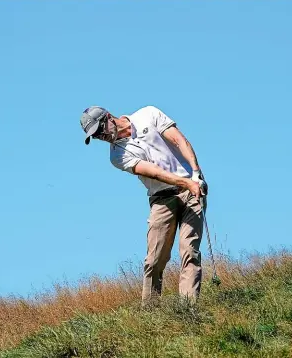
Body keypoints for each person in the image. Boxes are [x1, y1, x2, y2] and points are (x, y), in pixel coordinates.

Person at [80, 105, 208, 305]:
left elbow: (178, 139)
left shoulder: (148, 114)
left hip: (192, 189)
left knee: (189, 251)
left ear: (108, 118)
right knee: (154, 260)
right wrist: (186, 183)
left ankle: (188, 310)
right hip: (162, 199)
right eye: (94, 136)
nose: (99, 137)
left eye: (99, 131)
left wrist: (195, 172)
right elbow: (154, 171)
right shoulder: (116, 156)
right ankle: (150, 312)